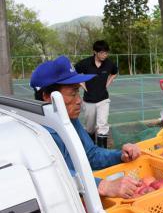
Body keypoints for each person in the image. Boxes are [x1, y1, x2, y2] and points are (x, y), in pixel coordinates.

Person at [30, 56, 142, 199]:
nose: (79, 100)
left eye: (78, 92)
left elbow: (90, 154)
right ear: (48, 97)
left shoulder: (69, 120)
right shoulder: (36, 135)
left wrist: (119, 155)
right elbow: (54, 176)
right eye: (72, 93)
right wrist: (102, 185)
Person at [75, 40, 118, 148]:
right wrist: (82, 85)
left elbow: (114, 72)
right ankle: (92, 148)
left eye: (106, 53)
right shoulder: (85, 63)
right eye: (102, 53)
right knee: (90, 128)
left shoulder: (109, 63)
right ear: (95, 52)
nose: (104, 55)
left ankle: (102, 151)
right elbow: (73, 72)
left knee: (102, 125)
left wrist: (107, 84)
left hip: (103, 99)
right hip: (89, 100)